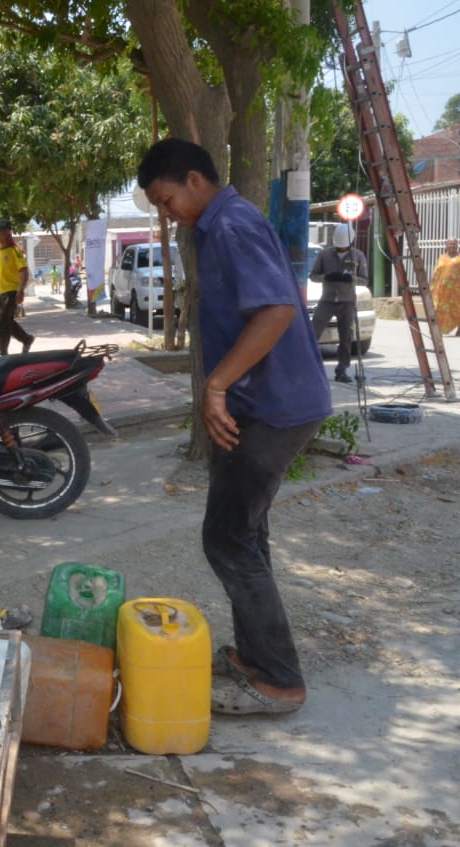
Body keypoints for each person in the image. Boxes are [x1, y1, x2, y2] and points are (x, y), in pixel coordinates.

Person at [138, 138, 331, 716]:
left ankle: (279, 679)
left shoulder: (230, 226)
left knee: (226, 537)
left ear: (196, 180)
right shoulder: (217, 225)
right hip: (262, 402)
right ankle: (256, 657)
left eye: (167, 200)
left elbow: (275, 312)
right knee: (246, 532)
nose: (165, 213)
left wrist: (216, 386)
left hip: (273, 405)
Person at [308, 223, 368, 383]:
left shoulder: (358, 256)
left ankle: (342, 369)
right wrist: (327, 277)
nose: (342, 249)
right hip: (327, 300)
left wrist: (351, 279)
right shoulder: (324, 255)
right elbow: (313, 275)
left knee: (346, 337)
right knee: (313, 333)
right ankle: (309, 366)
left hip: (347, 302)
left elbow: (364, 280)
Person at [0, 219, 34, 355]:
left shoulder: (15, 251)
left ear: (7, 233)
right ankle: (27, 339)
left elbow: (23, 270)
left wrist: (21, 290)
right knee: (2, 321)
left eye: (0, 233)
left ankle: (2, 351)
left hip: (11, 291)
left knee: (4, 322)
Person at [432, 237, 460, 336]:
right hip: (442, 290)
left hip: (456, 291)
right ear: (446, 245)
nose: (452, 246)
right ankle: (439, 329)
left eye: (454, 244)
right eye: (450, 244)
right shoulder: (441, 258)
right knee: (440, 309)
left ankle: (459, 329)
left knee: (457, 309)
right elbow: (436, 273)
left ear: (457, 246)